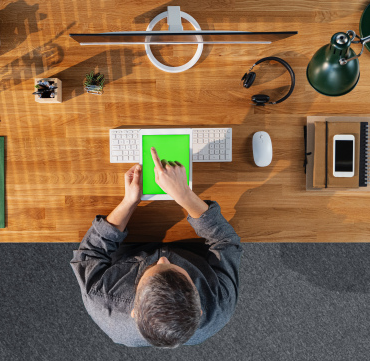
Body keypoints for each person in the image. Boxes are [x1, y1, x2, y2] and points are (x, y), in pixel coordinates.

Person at [70, 147, 242, 348]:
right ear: (200, 308)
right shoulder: (221, 305)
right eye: (178, 270)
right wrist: (185, 194)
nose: (163, 259)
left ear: (134, 310)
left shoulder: (100, 299)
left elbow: (90, 253)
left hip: (128, 247)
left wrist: (129, 202)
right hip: (193, 244)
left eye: (152, 270)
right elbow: (227, 242)